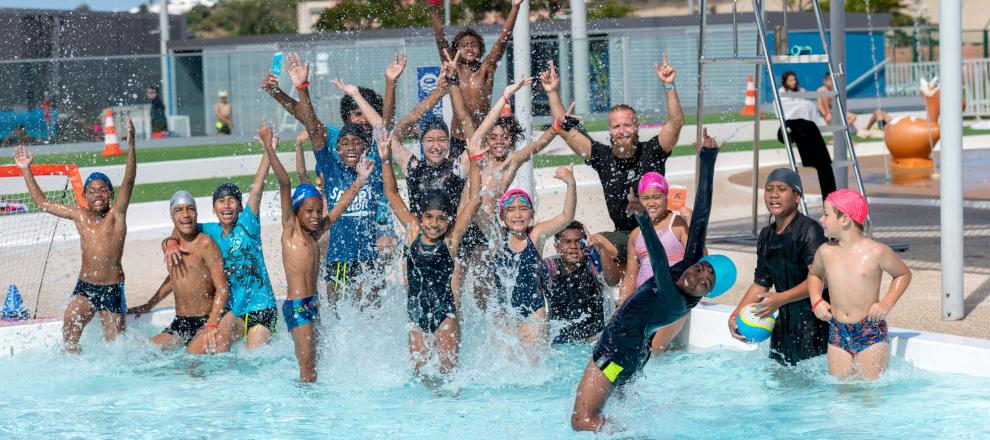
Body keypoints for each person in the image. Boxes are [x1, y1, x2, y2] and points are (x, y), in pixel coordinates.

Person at [570, 130, 736, 432]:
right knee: (611, 411)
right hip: (633, 352)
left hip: (617, 353)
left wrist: (644, 222)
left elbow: (659, 263)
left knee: (583, 421)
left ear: (707, 294)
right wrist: (708, 160)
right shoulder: (689, 267)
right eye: (702, 270)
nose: (698, 278)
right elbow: (701, 218)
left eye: (707, 284)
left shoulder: (677, 302)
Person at [263, 54, 393, 306]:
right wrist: (288, 90)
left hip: (377, 227)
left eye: (367, 113)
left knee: (375, 294)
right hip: (342, 243)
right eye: (357, 114)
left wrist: (389, 84)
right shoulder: (334, 146)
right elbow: (309, 122)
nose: (363, 120)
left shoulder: (379, 146)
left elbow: (384, 123)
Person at [543, 55, 684, 284]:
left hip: (658, 230)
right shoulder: (602, 157)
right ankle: (603, 295)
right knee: (594, 244)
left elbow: (676, 123)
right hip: (624, 235)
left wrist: (669, 85)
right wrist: (552, 92)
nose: (622, 131)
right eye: (616, 126)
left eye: (627, 124)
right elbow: (565, 130)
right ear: (609, 130)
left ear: (636, 126)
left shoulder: (653, 151)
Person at [149, 123, 280, 351]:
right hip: (235, 311)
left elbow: (257, 187)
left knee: (255, 358)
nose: (227, 204)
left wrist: (268, 150)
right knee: (215, 348)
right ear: (214, 209)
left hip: (261, 307)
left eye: (232, 200)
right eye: (221, 201)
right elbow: (183, 224)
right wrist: (169, 243)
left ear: (240, 207)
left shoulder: (248, 224)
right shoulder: (210, 231)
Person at [12, 120, 137, 353]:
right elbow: (42, 203)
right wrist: (25, 169)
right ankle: (75, 367)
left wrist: (131, 147)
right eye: (92, 191)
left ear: (111, 194)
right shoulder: (80, 216)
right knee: (69, 328)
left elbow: (129, 181)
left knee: (117, 350)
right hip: (85, 287)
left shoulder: (116, 216)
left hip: (112, 290)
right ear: (84, 195)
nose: (97, 194)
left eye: (103, 190)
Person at [263, 124, 372, 382]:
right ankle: (305, 418)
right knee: (307, 371)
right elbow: (285, 182)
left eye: (317, 210)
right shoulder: (291, 231)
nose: (315, 216)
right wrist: (269, 149)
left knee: (316, 366)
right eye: (308, 212)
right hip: (299, 307)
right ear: (296, 212)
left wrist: (360, 180)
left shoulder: (315, 233)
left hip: (313, 305)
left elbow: (341, 206)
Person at [378, 126, 483, 377]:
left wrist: (476, 162)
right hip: (416, 317)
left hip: (445, 315)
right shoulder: (413, 231)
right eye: (429, 217)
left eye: (440, 219)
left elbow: (475, 199)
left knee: (448, 376)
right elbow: (391, 193)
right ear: (421, 217)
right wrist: (384, 160)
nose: (434, 223)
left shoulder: (451, 239)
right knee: (420, 375)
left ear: (449, 220)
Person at [727, 168, 829, 365]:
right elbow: (761, 283)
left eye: (782, 189)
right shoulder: (766, 235)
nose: (774, 195)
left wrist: (781, 298)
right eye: (769, 189)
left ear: (797, 196)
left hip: (815, 327)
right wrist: (735, 315)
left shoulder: (809, 231)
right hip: (782, 328)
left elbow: (821, 280)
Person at [808, 189, 912, 380]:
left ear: (845, 220)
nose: (821, 220)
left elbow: (903, 274)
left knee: (870, 394)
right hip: (838, 330)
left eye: (826, 214)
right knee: (841, 392)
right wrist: (816, 300)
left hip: (870, 330)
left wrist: (886, 304)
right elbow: (814, 274)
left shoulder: (877, 252)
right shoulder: (825, 252)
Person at [492, 164, 576, 361]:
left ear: (531, 213)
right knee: (505, 369)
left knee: (534, 366)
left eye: (523, 209)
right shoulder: (495, 238)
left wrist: (571, 183)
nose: (518, 214)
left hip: (534, 311)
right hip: (504, 315)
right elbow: (477, 213)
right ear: (502, 215)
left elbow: (566, 217)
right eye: (511, 210)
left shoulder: (536, 236)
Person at [129, 191, 230, 354]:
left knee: (191, 362)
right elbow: (175, 278)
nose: (186, 214)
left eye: (190, 209)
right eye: (179, 210)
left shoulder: (205, 243)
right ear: (172, 216)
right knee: (143, 352)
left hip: (205, 320)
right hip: (181, 322)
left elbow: (223, 288)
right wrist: (149, 304)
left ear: (196, 213)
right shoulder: (172, 249)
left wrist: (212, 323)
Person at [430, 0, 522, 152]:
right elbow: (440, 37)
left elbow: (503, 39)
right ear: (456, 49)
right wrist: (435, 8)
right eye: (464, 45)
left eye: (474, 45)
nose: (469, 48)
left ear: (480, 49)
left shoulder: (487, 69)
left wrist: (515, 8)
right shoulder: (454, 69)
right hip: (459, 138)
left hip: (483, 136)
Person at [618, 171, 691, 354]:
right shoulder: (636, 234)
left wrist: (692, 224)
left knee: (649, 353)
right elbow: (631, 275)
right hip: (644, 300)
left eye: (656, 197)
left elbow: (700, 258)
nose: (651, 203)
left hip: (673, 300)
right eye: (645, 198)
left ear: (666, 197)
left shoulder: (678, 225)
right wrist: (622, 306)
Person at [540, 222, 618, 344]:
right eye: (567, 242)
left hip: (594, 337)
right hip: (559, 338)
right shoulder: (548, 268)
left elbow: (613, 281)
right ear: (557, 246)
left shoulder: (593, 263)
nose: (574, 246)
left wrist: (601, 250)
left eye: (578, 241)